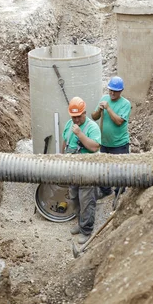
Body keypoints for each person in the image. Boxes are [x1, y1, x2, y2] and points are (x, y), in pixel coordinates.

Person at [62, 96, 101, 245]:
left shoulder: (92, 128)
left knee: (86, 201)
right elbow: (65, 142)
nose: (76, 120)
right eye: (73, 117)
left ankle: (86, 230)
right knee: (74, 198)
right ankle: (80, 223)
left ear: (84, 113)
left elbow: (94, 147)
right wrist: (60, 159)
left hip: (87, 171)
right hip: (72, 170)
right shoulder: (69, 124)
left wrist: (79, 134)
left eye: (78, 116)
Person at [91, 76, 132, 199]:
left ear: (121, 91)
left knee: (120, 170)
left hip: (119, 144)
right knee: (103, 169)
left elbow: (119, 121)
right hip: (104, 143)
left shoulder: (125, 104)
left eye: (115, 91)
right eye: (110, 90)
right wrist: (99, 110)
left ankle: (119, 194)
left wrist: (108, 108)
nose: (112, 93)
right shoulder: (104, 98)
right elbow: (94, 117)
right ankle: (105, 191)